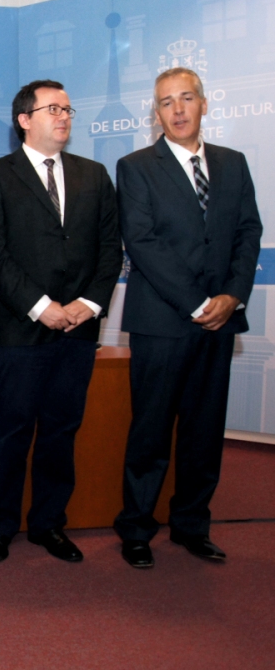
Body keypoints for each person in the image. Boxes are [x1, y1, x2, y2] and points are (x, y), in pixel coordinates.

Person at [114, 67, 262, 568]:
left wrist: (232, 296)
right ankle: (136, 528)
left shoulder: (233, 163)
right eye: (165, 102)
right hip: (162, 322)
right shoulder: (135, 166)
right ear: (155, 114)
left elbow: (248, 232)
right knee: (151, 433)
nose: (177, 110)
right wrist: (198, 304)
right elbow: (142, 241)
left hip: (221, 321)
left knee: (204, 432)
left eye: (185, 99)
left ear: (203, 103)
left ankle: (192, 525)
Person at [0, 80, 122, 563]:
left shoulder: (93, 174)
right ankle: (0, 525)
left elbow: (111, 249)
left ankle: (48, 524)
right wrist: (42, 306)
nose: (63, 116)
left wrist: (90, 304)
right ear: (24, 119)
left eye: (67, 109)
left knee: (61, 431)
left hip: (79, 329)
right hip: (22, 328)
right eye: (52, 109)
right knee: (13, 431)